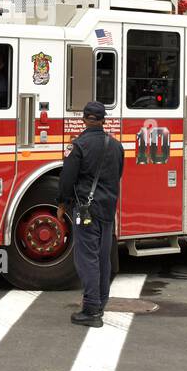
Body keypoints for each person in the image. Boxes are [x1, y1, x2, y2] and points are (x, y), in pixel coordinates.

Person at [59, 100, 125, 328]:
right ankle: (101, 303)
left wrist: (63, 203)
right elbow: (118, 175)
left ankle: (91, 310)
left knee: (86, 257)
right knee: (103, 257)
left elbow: (66, 179)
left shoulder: (78, 146)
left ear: (85, 119)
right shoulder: (116, 146)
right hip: (108, 210)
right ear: (104, 120)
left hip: (85, 210)